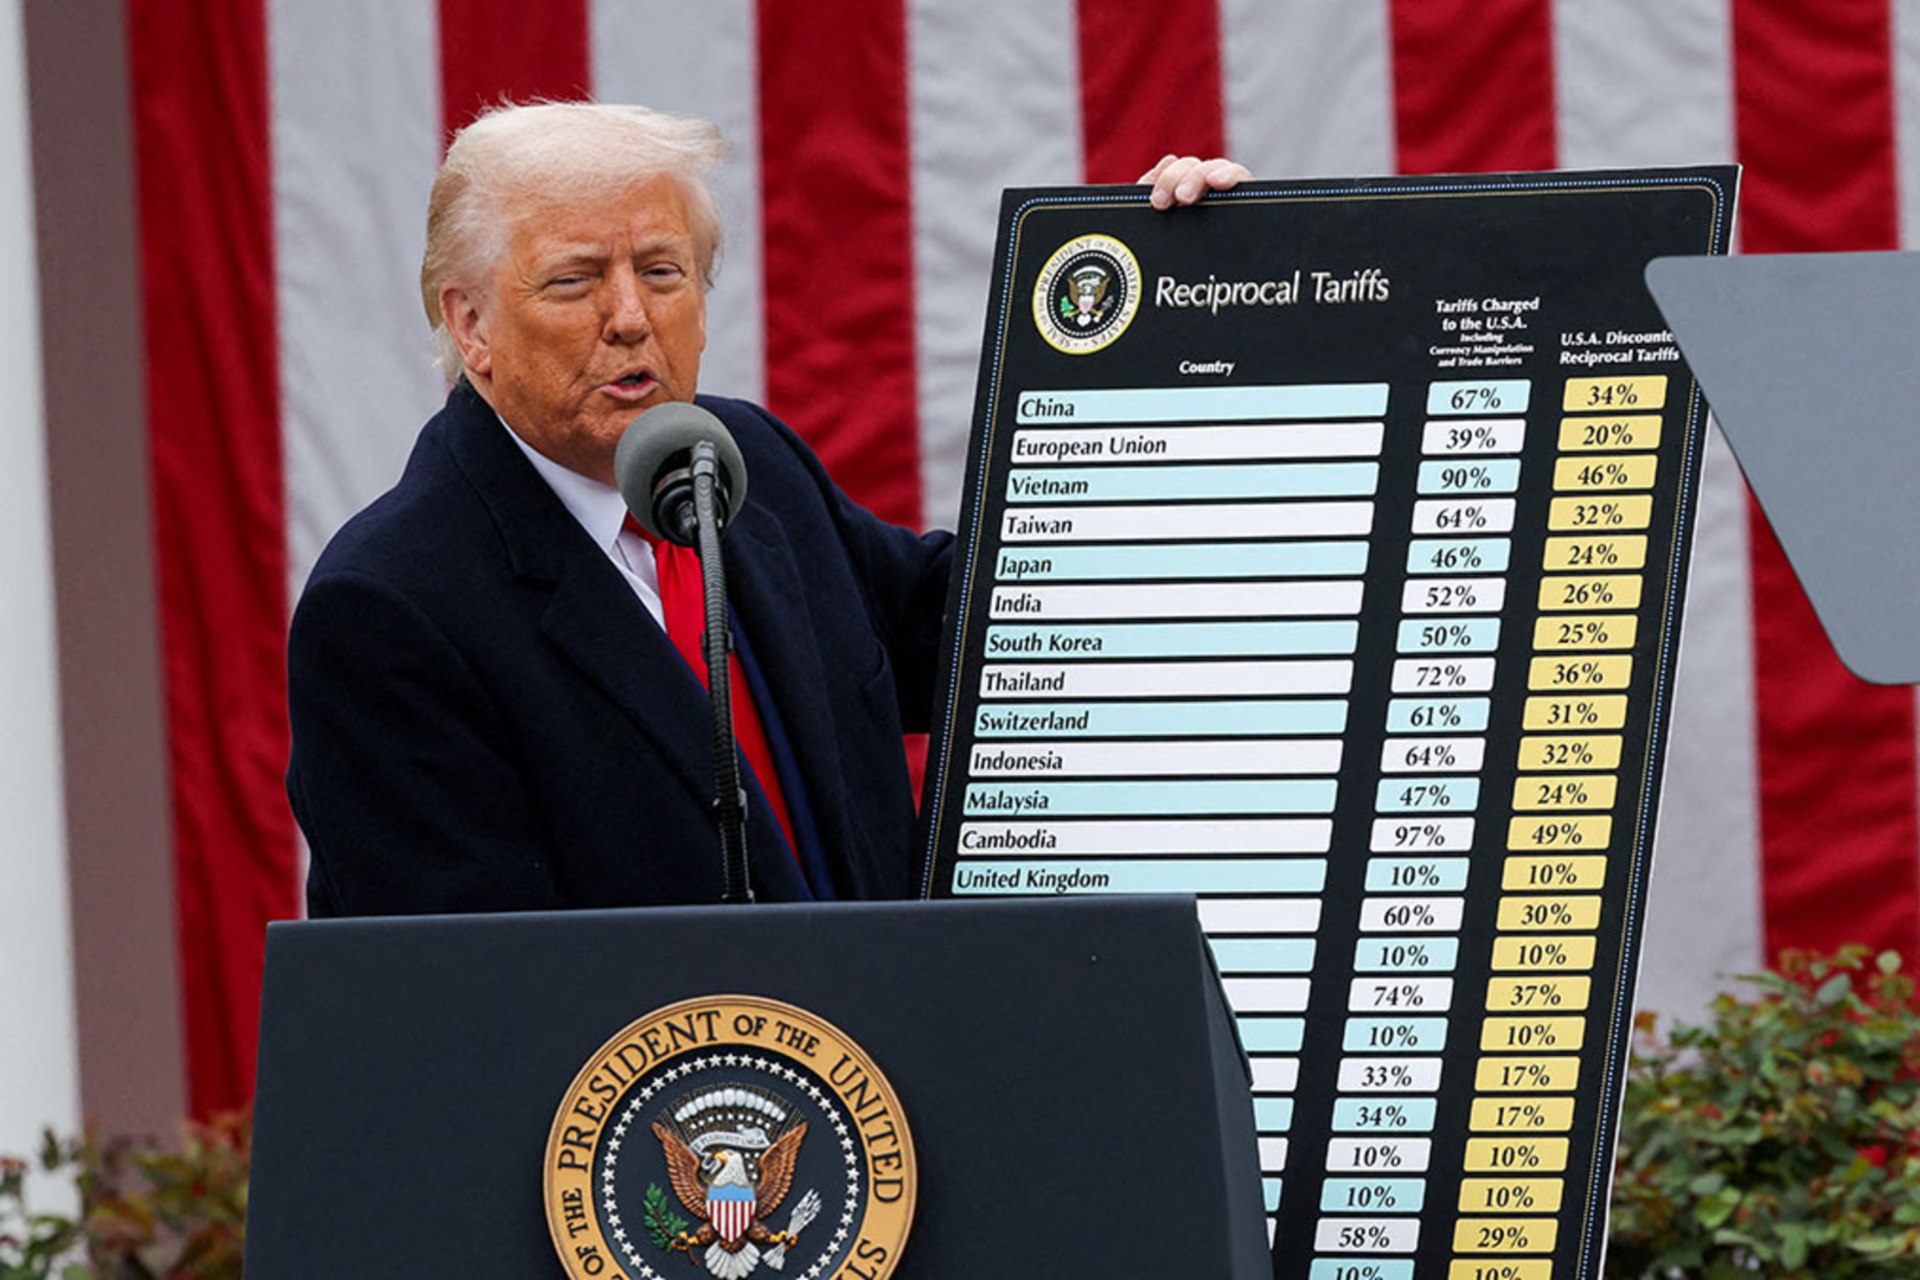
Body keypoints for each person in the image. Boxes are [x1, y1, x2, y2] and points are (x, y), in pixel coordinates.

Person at [286, 101, 1248, 917]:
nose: (630, 316)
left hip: (901, 1089)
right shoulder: (390, 608)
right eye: (575, 279)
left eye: (661, 272)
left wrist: (1172, 314)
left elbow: (993, 627)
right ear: (471, 325)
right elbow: (473, 1002)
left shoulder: (745, 465)